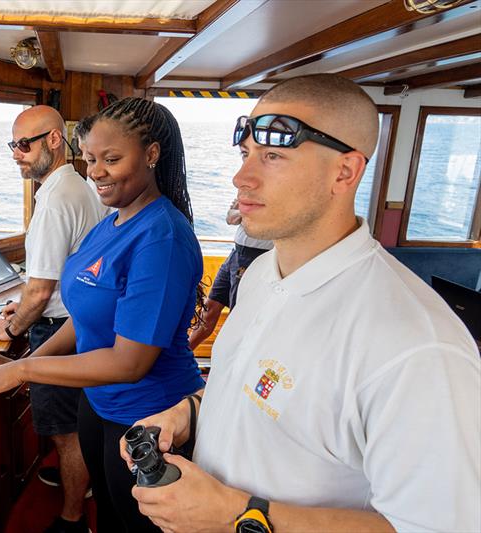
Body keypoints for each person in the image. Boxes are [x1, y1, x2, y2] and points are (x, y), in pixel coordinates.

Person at [120, 74, 481, 533]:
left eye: (273, 155)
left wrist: (238, 515)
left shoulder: (416, 345)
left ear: (345, 172)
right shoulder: (261, 277)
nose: (241, 176)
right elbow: (246, 387)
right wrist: (187, 411)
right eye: (246, 152)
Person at [0, 97, 206, 533]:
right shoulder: (112, 222)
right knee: (104, 509)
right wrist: (19, 363)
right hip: (97, 405)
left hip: (148, 417)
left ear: (152, 155)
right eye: (89, 159)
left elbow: (129, 362)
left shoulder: (162, 237)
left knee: (133, 524)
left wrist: (24, 371)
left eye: (111, 159)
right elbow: (82, 318)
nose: (96, 172)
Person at [0, 105, 108, 533]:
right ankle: (81, 478)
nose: (16, 154)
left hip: (60, 330)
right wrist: (26, 306)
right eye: (12, 145)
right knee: (74, 422)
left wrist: (11, 327)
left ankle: (72, 517)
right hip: (79, 323)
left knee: (65, 431)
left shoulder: (55, 200)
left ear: (55, 140)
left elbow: (38, 289)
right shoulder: (80, 186)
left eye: (24, 144)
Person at [188, 198, 272, 350]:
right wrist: (247, 212)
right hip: (235, 255)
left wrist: (244, 212)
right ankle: (186, 352)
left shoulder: (280, 196)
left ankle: (233, 361)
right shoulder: (248, 194)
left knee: (238, 315)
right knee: (210, 307)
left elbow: (267, 217)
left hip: (257, 257)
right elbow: (231, 218)